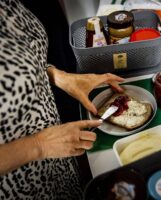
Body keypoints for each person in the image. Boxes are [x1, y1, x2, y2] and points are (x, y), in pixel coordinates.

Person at [0, 0, 124, 199]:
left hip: (57, 155)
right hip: (20, 180)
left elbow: (24, 56)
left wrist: (60, 77)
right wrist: (39, 145)